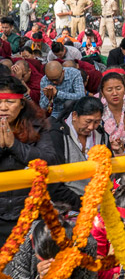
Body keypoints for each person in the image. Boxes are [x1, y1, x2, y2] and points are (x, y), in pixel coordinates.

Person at [0, 77, 60, 245]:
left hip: (30, 212)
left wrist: (14, 145)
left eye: (10, 102)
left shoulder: (37, 126)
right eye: (0, 102)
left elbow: (50, 159)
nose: (3, 108)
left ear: (21, 104)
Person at [49, 97, 108, 196]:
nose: (91, 127)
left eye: (96, 122)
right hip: (67, 203)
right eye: (88, 121)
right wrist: (84, 203)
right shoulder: (57, 136)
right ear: (75, 116)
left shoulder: (102, 136)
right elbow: (55, 186)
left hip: (98, 198)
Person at [98, 71, 125, 156]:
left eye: (118, 88)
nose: (115, 93)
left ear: (124, 90)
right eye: (109, 90)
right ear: (102, 93)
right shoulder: (99, 114)